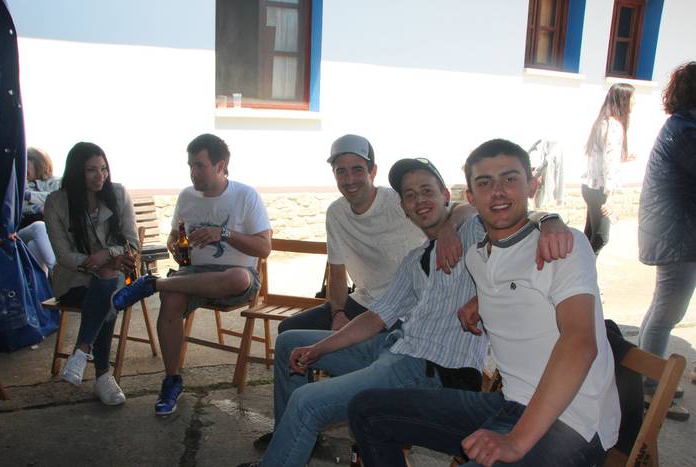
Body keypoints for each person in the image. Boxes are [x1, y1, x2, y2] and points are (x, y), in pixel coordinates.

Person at [237, 157, 574, 467]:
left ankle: (286, 448)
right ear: (404, 208)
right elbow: (376, 317)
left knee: (307, 401)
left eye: (427, 191)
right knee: (291, 342)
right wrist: (319, 348)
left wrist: (550, 219)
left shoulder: (473, 232)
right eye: (410, 195)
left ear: (446, 195)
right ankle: (291, 442)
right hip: (394, 348)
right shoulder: (415, 260)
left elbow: (510, 215)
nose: (419, 200)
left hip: (428, 368)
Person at [349, 139, 620, 467]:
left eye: (509, 179)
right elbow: (512, 274)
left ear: (532, 185)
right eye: (485, 183)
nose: (498, 192)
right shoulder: (478, 257)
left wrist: (516, 442)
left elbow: (580, 343)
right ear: (472, 197)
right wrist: (480, 299)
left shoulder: (561, 244)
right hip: (511, 403)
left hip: (573, 421)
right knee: (366, 409)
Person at [111, 133, 271, 415]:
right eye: (190, 165)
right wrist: (174, 246)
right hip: (193, 273)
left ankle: (153, 283)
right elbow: (174, 236)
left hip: (234, 277)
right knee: (171, 299)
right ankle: (172, 380)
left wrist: (224, 234)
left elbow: (264, 248)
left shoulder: (246, 195)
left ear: (220, 166)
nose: (193, 173)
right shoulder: (187, 196)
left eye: (199, 166)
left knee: (237, 278)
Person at [278, 134, 472, 334]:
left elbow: (467, 209)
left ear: (373, 171)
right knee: (288, 328)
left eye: (357, 169)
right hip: (364, 301)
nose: (349, 179)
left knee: (369, 343)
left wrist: (449, 229)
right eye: (341, 171)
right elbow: (337, 273)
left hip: (406, 305)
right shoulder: (336, 213)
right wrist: (338, 313)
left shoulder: (400, 200)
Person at [44, 142, 138, 405]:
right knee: (108, 291)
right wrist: (93, 262)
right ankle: (102, 376)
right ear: (77, 172)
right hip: (74, 279)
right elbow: (63, 255)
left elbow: (132, 244)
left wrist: (107, 254)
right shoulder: (56, 202)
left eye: (104, 169)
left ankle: (81, 352)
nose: (101, 176)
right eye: (91, 170)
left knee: (109, 282)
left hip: (118, 273)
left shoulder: (118, 194)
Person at [638, 62, 696, 405]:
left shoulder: (683, 125)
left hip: (675, 231)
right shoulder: (686, 130)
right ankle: (649, 386)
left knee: (662, 307)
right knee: (668, 312)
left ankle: (644, 375)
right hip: (678, 235)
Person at [582, 82, 635, 254]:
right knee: (600, 237)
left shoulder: (601, 122)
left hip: (590, 187)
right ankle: (582, 269)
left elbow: (601, 157)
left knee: (590, 235)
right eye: (632, 98)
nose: (634, 102)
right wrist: (609, 198)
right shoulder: (614, 126)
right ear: (623, 100)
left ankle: (579, 267)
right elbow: (609, 164)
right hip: (600, 190)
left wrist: (623, 158)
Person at [18, 147, 59, 273]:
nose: (22, 168)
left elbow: (57, 198)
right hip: (24, 232)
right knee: (39, 226)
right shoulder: (20, 185)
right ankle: (57, 271)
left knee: (34, 246)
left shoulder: (56, 182)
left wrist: (29, 196)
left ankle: (41, 284)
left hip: (53, 236)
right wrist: (37, 208)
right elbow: (18, 206)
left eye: (26, 164)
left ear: (38, 162)